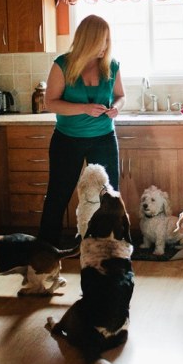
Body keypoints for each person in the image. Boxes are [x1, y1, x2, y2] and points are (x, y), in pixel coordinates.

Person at [38, 14, 126, 246]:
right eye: (101, 41)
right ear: (87, 40)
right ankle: (45, 250)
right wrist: (84, 108)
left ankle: (111, 245)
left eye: (108, 41)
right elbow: (50, 103)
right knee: (58, 194)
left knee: (110, 195)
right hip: (68, 139)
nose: (105, 46)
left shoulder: (111, 65)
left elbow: (120, 96)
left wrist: (116, 108)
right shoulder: (63, 65)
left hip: (104, 138)